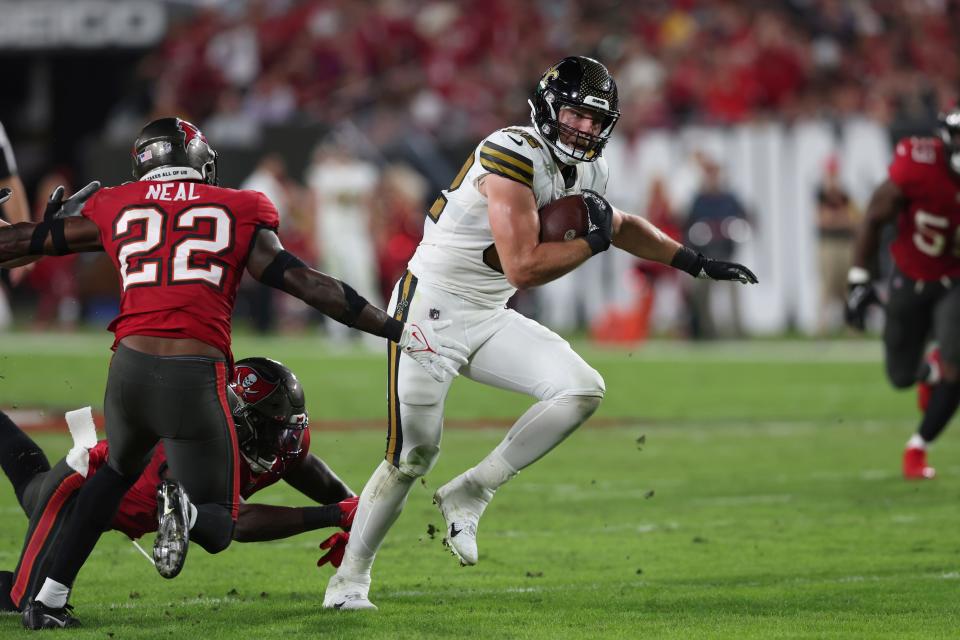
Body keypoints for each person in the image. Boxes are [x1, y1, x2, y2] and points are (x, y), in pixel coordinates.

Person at [322, 56, 757, 610]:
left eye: (597, 120)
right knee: (413, 455)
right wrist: (589, 243)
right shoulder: (511, 152)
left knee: (581, 388)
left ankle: (473, 489)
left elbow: (619, 225)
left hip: (488, 311)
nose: (586, 129)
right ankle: (350, 581)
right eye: (576, 113)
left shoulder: (590, 171)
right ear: (550, 108)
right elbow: (523, 267)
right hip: (429, 311)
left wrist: (695, 262)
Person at [0, 117, 468, 629]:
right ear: (202, 162)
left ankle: (49, 598)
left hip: (127, 370)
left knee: (111, 476)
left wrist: (39, 230)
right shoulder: (239, 207)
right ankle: (186, 512)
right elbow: (310, 285)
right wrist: (393, 327)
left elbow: (23, 242)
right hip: (193, 374)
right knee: (219, 523)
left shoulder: (117, 201)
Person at [0, 356, 358, 612]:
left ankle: (186, 512)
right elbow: (240, 523)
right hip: (80, 493)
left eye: (289, 428)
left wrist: (356, 519)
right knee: (23, 599)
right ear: (240, 420)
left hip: (131, 509)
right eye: (273, 428)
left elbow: (315, 476)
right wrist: (330, 515)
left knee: (31, 480)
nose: (285, 440)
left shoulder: (280, 443)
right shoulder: (202, 442)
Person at [846, 108, 960, 481]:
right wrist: (859, 279)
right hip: (911, 276)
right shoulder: (919, 161)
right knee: (900, 376)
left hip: (955, 280)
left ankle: (917, 446)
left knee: (957, 365)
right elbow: (875, 216)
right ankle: (929, 371)